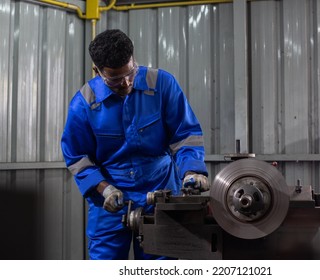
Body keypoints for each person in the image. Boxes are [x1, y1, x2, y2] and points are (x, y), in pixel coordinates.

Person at [61, 29, 209, 260]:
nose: (127, 82)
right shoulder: (84, 104)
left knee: (162, 264)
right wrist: (104, 189)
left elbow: (186, 135)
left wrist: (192, 171)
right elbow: (78, 158)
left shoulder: (162, 84)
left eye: (130, 72)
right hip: (110, 198)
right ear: (97, 72)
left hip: (162, 190)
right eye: (115, 79)